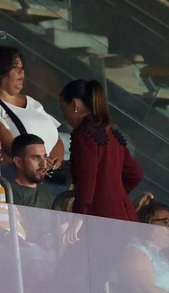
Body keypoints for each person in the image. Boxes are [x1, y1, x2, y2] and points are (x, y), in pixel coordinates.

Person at [59, 78, 141, 221]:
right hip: (126, 216)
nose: (64, 116)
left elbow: (87, 181)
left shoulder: (83, 134)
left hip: (100, 220)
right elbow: (136, 174)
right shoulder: (111, 132)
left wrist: (78, 218)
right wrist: (114, 194)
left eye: (63, 109)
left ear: (75, 104)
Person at [0, 45, 62, 168]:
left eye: (22, 67)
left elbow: (57, 138)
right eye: (15, 68)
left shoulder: (32, 101)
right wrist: (36, 161)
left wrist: (56, 159)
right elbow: (0, 136)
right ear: (0, 73)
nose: (22, 72)